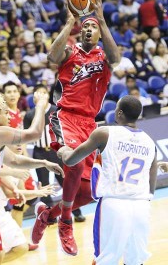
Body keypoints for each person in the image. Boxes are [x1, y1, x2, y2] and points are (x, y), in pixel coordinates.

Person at [31, 0, 120, 255]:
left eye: (94, 27)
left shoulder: (104, 56)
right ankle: (65, 222)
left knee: (90, 191)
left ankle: (48, 215)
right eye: (87, 26)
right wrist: (70, 21)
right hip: (66, 117)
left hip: (89, 124)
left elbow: (115, 58)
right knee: (74, 160)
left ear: (99, 32)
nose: (90, 29)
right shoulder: (71, 51)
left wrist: (101, 19)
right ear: (81, 31)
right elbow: (52, 55)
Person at [58, 95, 157, 265]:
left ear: (118, 113)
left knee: (105, 259)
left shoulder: (104, 133)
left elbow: (71, 160)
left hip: (114, 205)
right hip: (142, 206)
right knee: (135, 260)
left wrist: (63, 151)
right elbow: (152, 183)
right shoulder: (150, 142)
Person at [0, 92, 64, 265]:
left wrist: (42, 162)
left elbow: (14, 160)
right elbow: (34, 133)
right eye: (5, 112)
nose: (9, 115)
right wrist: (41, 105)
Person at [24, 84, 86, 221]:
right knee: (44, 185)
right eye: (37, 93)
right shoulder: (29, 115)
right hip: (40, 152)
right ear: (33, 97)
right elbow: (26, 136)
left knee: (67, 183)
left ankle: (76, 213)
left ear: (48, 95)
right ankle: (49, 216)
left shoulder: (55, 111)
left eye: (43, 93)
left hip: (56, 151)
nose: (40, 96)